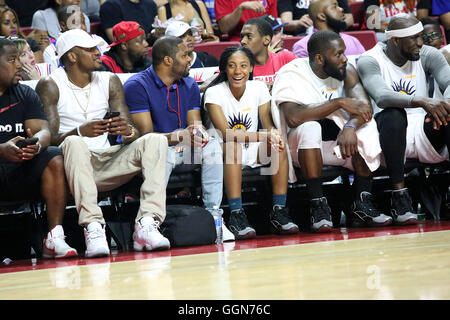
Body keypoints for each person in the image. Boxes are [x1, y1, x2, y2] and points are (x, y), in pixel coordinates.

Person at [35, 29, 170, 258]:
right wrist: (79, 131)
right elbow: (48, 138)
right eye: (90, 50)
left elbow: (132, 131)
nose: (98, 53)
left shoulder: (109, 80)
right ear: (72, 56)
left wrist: (126, 131)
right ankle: (93, 227)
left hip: (109, 159)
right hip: (73, 168)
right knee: (75, 143)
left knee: (155, 140)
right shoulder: (50, 84)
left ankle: (146, 224)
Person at [272, 30, 392, 231]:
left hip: (340, 145)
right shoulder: (292, 73)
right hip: (300, 149)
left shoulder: (347, 71)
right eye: (338, 54)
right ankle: (318, 205)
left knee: (366, 127)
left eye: (344, 52)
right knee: (310, 127)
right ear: (320, 58)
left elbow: (364, 109)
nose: (345, 58)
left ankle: (362, 201)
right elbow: (293, 117)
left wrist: (350, 126)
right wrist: (339, 102)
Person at [123, 36, 235, 241]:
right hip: (151, 152)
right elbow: (146, 137)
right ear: (167, 60)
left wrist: (197, 134)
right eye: (184, 55)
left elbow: (195, 124)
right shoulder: (137, 85)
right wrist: (178, 137)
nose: (189, 59)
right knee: (161, 151)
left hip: (181, 149)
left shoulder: (189, 84)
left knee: (212, 144)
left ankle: (214, 216)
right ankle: (149, 221)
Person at [357, 15, 450, 224]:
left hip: (425, 129)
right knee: (393, 114)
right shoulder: (370, 59)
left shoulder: (428, 54)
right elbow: (382, 96)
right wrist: (422, 101)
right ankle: (399, 197)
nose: (420, 43)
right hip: (386, 136)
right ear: (396, 41)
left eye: (421, 37)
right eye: (414, 38)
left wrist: (446, 103)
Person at [204, 46, 299, 239]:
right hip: (220, 151)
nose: (238, 71)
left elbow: (267, 123)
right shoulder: (214, 93)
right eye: (232, 66)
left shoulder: (258, 88)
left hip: (252, 147)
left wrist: (274, 135)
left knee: (278, 145)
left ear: (251, 69)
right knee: (233, 147)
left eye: (243, 66)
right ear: (224, 69)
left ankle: (279, 211)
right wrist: (264, 136)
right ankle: (236, 215)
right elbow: (226, 134)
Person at [0, 37, 77, 259]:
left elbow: (44, 131)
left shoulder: (25, 94)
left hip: (21, 170)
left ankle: (54, 237)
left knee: (53, 155)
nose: (19, 65)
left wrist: (37, 144)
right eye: (12, 59)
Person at [292, 0, 365, 58]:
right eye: (334, 7)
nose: (341, 9)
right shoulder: (303, 46)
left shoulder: (353, 40)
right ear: (322, 16)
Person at [43, 5, 109, 69]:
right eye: (77, 23)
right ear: (63, 25)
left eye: (83, 22)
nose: (83, 27)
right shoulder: (51, 51)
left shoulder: (97, 40)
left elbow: (110, 65)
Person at [240, 17, 297, 89]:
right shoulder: (237, 65)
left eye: (249, 36)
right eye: (242, 37)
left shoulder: (285, 58)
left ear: (266, 40)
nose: (243, 41)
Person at [277, 0, 354, 36]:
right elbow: (285, 22)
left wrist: (333, 25)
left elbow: (349, 18)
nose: (341, 9)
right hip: (302, 35)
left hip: (337, 34)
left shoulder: (353, 41)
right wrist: (298, 22)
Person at [214, 0, 279, 41]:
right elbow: (223, 28)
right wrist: (240, 8)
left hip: (266, 42)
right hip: (239, 43)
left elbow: (274, 24)